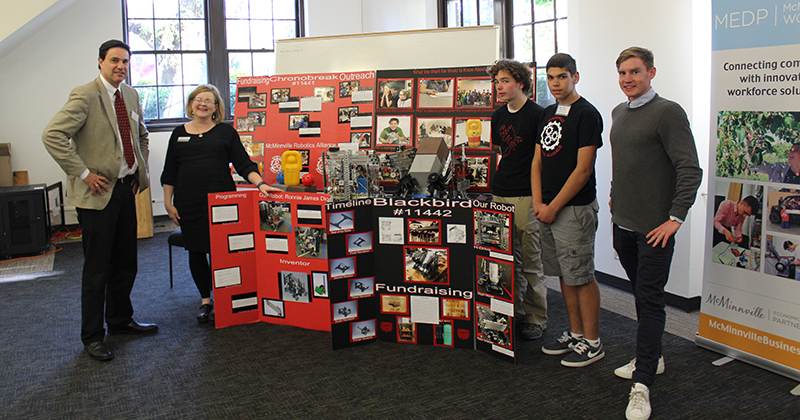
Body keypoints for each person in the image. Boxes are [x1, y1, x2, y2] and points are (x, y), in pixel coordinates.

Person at [42, 39, 158, 362]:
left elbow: (142, 136)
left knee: (126, 262)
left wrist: (139, 169)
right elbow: (52, 135)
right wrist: (82, 173)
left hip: (124, 189)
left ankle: (120, 320)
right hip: (96, 193)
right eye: (114, 61)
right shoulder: (85, 95)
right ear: (100, 62)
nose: (120, 66)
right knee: (97, 270)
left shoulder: (131, 95)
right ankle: (92, 336)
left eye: (125, 61)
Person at [609, 47, 703, 420]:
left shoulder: (668, 112)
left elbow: (689, 169)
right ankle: (654, 357)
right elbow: (625, 164)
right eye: (622, 73)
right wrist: (616, 197)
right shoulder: (619, 112)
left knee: (649, 301)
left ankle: (642, 383)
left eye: (635, 72)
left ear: (651, 73)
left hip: (655, 232)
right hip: (624, 227)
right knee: (641, 296)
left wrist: (675, 218)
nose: (628, 79)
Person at [162, 85, 280, 323]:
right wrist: (167, 202)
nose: (202, 104)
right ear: (191, 103)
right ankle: (206, 300)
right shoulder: (178, 133)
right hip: (189, 202)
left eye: (209, 100)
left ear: (216, 107)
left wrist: (261, 184)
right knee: (195, 250)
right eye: (198, 99)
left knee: (221, 252)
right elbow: (170, 172)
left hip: (221, 202)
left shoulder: (225, 133)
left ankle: (225, 299)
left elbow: (244, 164)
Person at [533, 53, 604, 367]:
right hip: (546, 208)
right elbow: (537, 162)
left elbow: (583, 170)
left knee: (582, 276)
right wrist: (538, 203)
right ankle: (576, 334)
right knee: (564, 273)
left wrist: (554, 207)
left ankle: (592, 341)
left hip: (573, 209)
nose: (556, 83)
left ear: (575, 77)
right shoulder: (548, 112)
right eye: (550, 77)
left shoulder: (587, 114)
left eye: (562, 76)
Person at [487, 59, 548, 341]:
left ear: (521, 83)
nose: (499, 87)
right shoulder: (498, 116)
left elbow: (541, 160)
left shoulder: (539, 114)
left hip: (527, 195)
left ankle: (536, 318)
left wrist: (540, 198)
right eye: (497, 81)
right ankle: (514, 313)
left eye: (505, 81)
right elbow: (503, 152)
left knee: (532, 261)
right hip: (500, 192)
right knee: (505, 260)